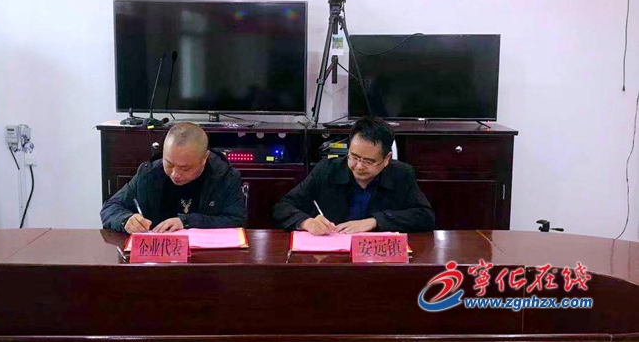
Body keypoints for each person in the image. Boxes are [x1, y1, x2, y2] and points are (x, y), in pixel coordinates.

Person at [273, 117, 435, 235]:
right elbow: (283, 206)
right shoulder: (327, 169)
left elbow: (425, 217)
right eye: (354, 157)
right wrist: (307, 222)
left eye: (369, 161)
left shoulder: (401, 174)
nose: (359, 166)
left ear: (387, 159)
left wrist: (375, 221)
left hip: (378, 257)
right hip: (335, 253)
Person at [101, 122, 246, 233]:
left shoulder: (224, 176)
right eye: (169, 164)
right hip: (157, 255)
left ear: (204, 158)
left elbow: (236, 221)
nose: (175, 174)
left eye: (185, 168)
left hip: (205, 257)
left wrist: (188, 222)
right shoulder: (149, 173)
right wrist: (126, 220)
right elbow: (110, 207)